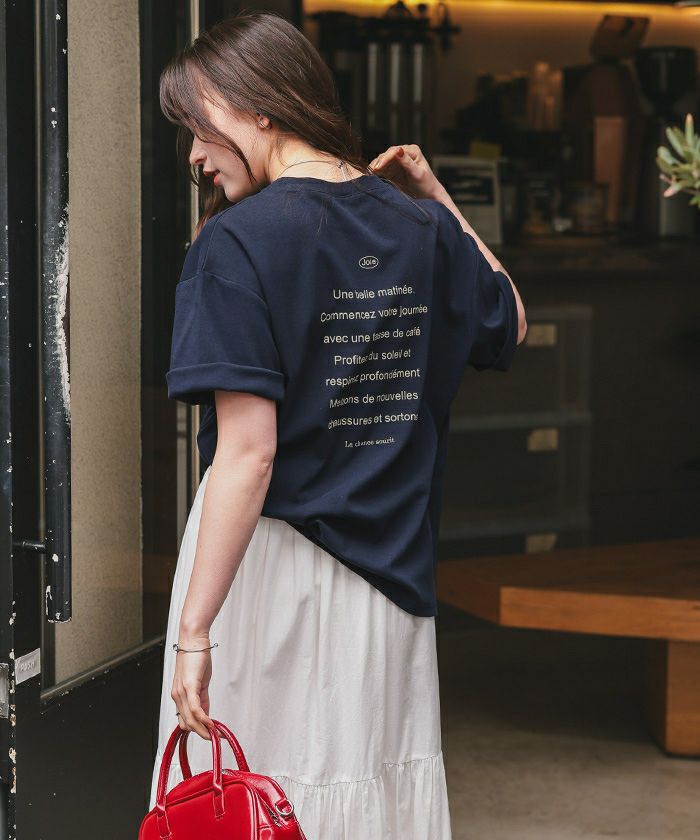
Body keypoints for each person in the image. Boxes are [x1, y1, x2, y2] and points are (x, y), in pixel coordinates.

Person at [148, 10, 527, 839]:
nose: (195, 155)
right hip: (390, 578)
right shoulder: (421, 227)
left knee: (264, 791)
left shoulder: (236, 244)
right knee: (371, 787)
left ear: (258, 105)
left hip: (271, 571)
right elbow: (510, 320)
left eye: (199, 126)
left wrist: (194, 632)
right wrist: (437, 200)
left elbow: (248, 456)